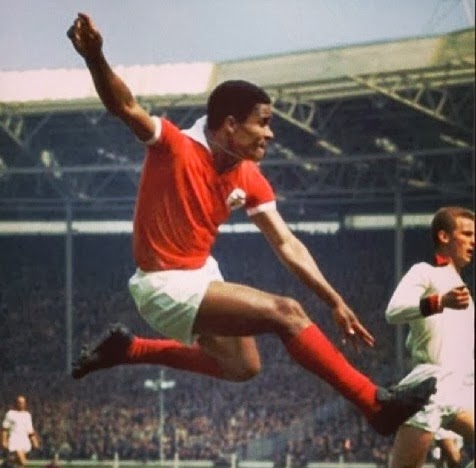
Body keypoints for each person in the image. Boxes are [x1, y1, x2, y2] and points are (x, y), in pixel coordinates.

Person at [67, 12, 436, 437]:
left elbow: (286, 243)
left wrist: (334, 301)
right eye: (262, 122)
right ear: (230, 125)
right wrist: (94, 57)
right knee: (287, 312)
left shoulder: (248, 175)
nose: (270, 134)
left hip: (201, 273)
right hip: (162, 285)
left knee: (243, 367)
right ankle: (373, 403)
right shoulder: (174, 145)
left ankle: (130, 350)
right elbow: (125, 106)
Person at [385, 206, 474, 467]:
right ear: (444, 237)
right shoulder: (425, 272)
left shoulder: (464, 293)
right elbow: (393, 312)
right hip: (429, 391)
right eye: (467, 234)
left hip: (460, 391)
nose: (473, 241)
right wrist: (440, 302)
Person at [1, 395, 40, 467]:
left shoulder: (27, 415)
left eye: (23, 402)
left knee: (20, 463)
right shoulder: (10, 413)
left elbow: (30, 430)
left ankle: (7, 462)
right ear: (16, 403)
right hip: (14, 440)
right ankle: (8, 461)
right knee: (22, 461)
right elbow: (4, 429)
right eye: (19, 402)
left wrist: (34, 441)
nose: (21, 404)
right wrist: (4, 441)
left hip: (24, 440)